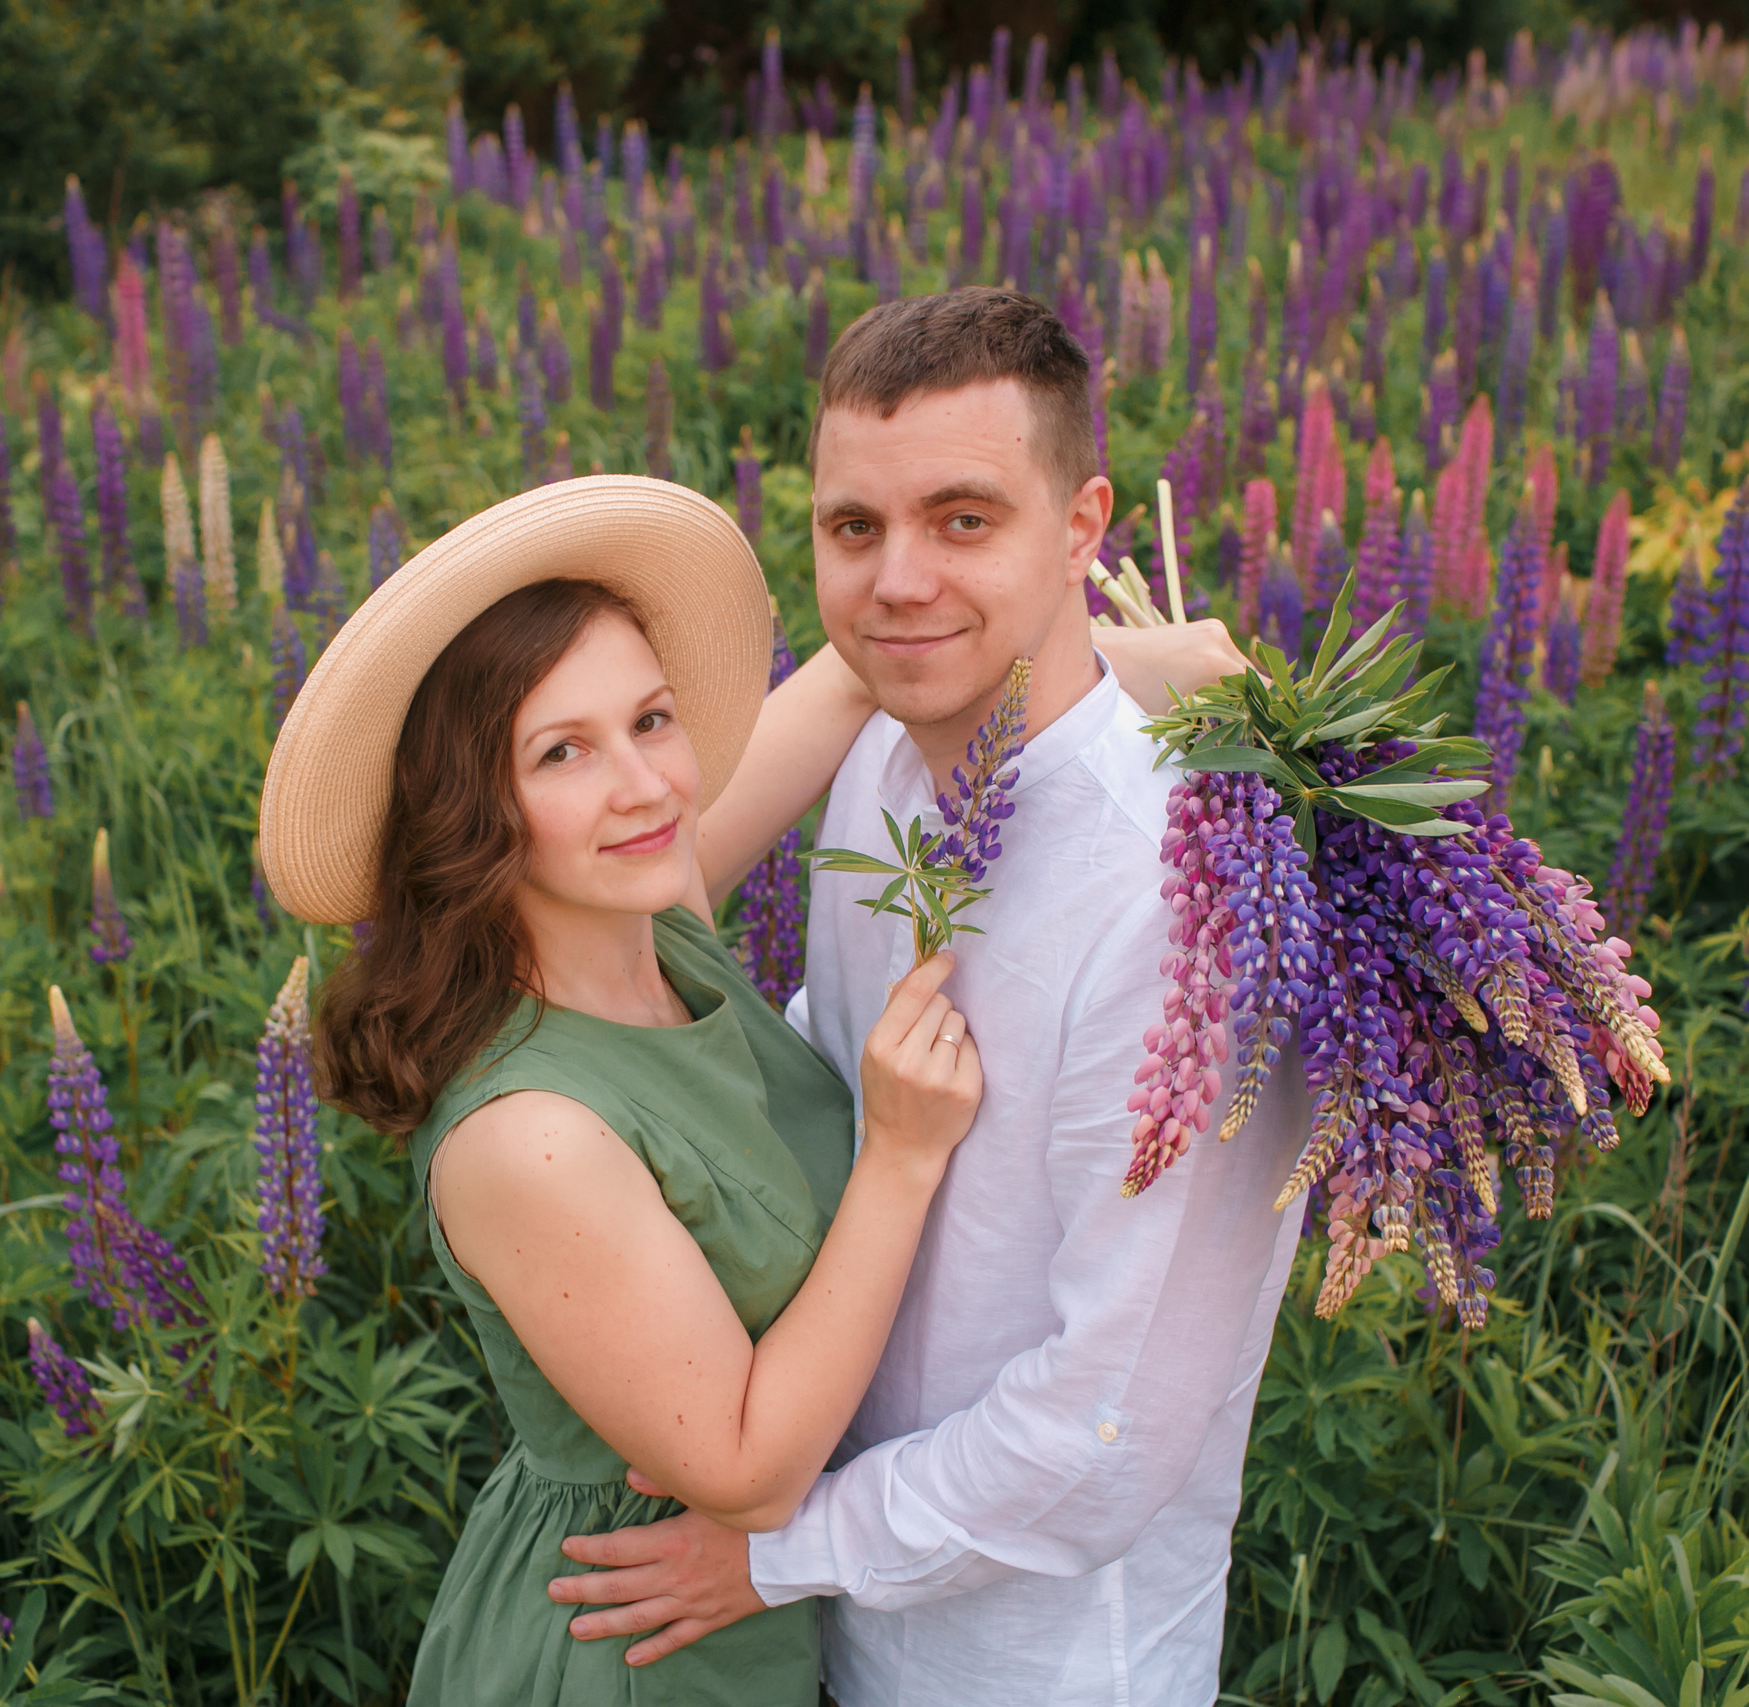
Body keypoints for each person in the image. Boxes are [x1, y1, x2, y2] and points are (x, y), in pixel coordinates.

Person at [256, 473, 1244, 1706]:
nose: (648, 786)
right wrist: (897, 1154)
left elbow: (855, 670)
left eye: (654, 720)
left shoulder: (650, 924)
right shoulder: (529, 1137)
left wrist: (1126, 664)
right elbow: (749, 1471)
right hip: (633, 1636)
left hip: (757, 1619)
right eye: (562, 751)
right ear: (468, 813)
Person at [549, 289, 1307, 1706]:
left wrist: (775, 1548)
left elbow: (1110, 1426)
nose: (898, 579)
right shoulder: (885, 774)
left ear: (1084, 526)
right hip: (828, 1625)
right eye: (854, 527)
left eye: (964, 519)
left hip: (1043, 1661)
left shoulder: (1186, 897)